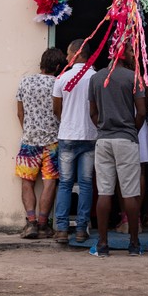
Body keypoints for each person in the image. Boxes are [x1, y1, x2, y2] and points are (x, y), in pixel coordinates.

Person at [88, 44, 147, 257]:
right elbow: (141, 112)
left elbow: (92, 113)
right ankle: (134, 244)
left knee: (105, 192)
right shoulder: (134, 77)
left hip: (103, 140)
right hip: (126, 141)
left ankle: (102, 245)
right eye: (131, 52)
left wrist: (104, 128)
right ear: (123, 54)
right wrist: (131, 130)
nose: (134, 56)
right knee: (130, 193)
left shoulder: (95, 78)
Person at [15, 47, 67, 238]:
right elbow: (60, 111)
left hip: (29, 140)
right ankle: (44, 225)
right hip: (53, 142)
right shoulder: (58, 83)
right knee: (49, 183)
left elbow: (20, 113)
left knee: (27, 182)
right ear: (59, 66)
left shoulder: (25, 81)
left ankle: (30, 224)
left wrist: (28, 130)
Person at [52, 39, 98, 244]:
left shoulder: (62, 78)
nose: (67, 58)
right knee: (86, 184)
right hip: (90, 135)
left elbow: (56, 109)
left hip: (67, 135)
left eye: (69, 54)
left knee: (65, 183)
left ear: (78, 54)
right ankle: (81, 228)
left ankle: (61, 229)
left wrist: (67, 121)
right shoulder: (96, 78)